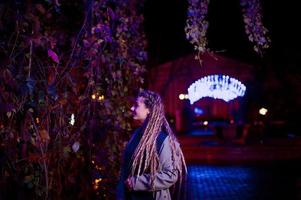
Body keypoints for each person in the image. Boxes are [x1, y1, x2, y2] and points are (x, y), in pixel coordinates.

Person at [117, 90, 187, 200]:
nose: (131, 108)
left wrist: (137, 182)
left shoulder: (162, 139)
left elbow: (171, 175)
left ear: (149, 109)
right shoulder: (136, 134)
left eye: (136, 105)